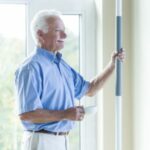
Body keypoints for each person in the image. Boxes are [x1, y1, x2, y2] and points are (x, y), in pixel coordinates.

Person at [15, 9, 125, 150]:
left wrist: (112, 65)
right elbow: (27, 115)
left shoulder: (62, 65)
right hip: (41, 142)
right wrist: (65, 114)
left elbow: (90, 89)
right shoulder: (30, 68)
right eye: (58, 30)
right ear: (40, 34)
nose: (65, 35)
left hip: (62, 141)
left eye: (64, 30)